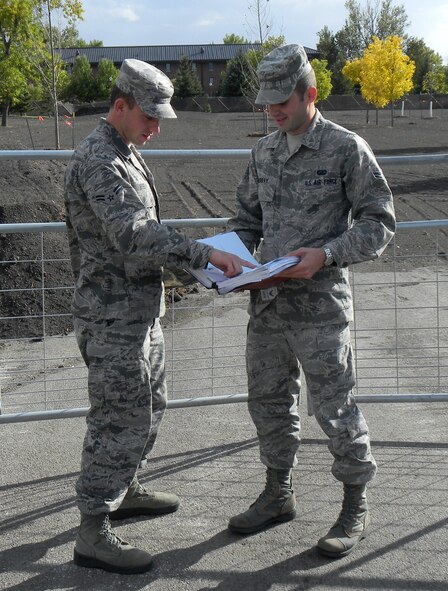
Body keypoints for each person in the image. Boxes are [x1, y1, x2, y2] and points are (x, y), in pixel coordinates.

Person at [64, 58, 252, 575]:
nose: (156, 128)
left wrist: (194, 265)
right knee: (117, 417)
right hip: (110, 318)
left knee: (151, 404)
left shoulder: (125, 151)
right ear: (119, 106)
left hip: (140, 311)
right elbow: (132, 234)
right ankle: (93, 529)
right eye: (149, 117)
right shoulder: (99, 160)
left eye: (160, 119)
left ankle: (125, 487)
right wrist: (204, 255)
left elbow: (143, 236)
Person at [226, 44, 395, 558]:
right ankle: (278, 493)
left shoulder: (346, 149)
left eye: (283, 101)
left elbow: (380, 223)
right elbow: (246, 220)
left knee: (335, 407)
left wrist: (326, 253)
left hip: (321, 308)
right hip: (269, 306)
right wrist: (228, 258)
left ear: (311, 94)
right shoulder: (264, 152)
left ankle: (354, 504)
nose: (274, 112)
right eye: (267, 103)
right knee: (269, 403)